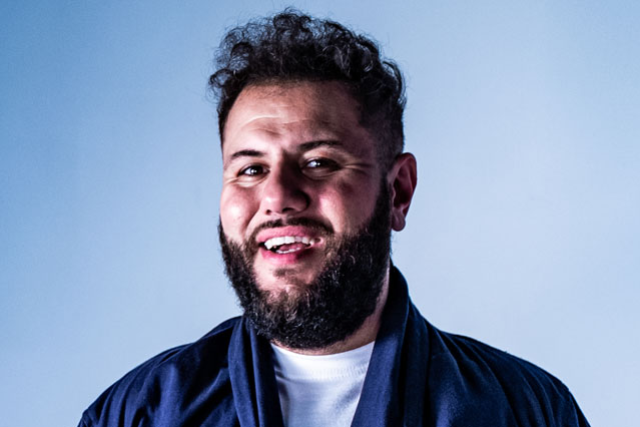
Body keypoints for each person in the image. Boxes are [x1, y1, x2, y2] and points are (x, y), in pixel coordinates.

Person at [79, 9, 590, 427]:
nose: (278, 197)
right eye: (251, 169)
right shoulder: (140, 412)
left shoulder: (525, 411)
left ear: (398, 191)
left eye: (319, 163)